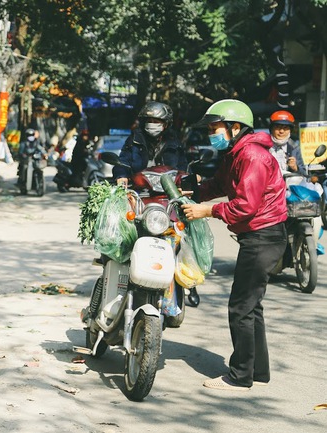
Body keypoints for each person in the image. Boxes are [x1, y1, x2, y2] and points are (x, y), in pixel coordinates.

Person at [181, 99, 287, 391]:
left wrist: (208, 211)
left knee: (240, 307)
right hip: (261, 236)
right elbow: (220, 184)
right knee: (252, 307)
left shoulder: (252, 155)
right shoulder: (235, 154)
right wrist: (194, 191)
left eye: (216, 128)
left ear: (235, 127)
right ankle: (258, 371)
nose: (212, 134)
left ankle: (239, 377)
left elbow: (245, 206)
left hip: (263, 237)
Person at [113, 101, 187, 186]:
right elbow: (123, 162)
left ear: (165, 125)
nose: (152, 124)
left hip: (168, 191)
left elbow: (183, 167)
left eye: (156, 122)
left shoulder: (174, 143)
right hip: (139, 190)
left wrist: (186, 181)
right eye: (149, 121)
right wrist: (121, 176)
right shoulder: (135, 140)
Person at [268, 110, 306, 175]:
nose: (281, 131)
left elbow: (304, 173)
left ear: (290, 131)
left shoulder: (294, 147)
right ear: (271, 129)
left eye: (285, 128)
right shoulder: (264, 145)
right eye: (278, 127)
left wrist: (295, 168)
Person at [17, 127, 46, 194]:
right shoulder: (23, 143)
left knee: (38, 168)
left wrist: (44, 153)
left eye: (32, 135)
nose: (31, 137)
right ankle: (23, 183)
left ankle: (38, 184)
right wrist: (23, 155)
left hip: (34, 159)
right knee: (24, 168)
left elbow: (41, 149)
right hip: (26, 160)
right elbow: (20, 152)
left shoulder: (36, 143)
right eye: (29, 135)